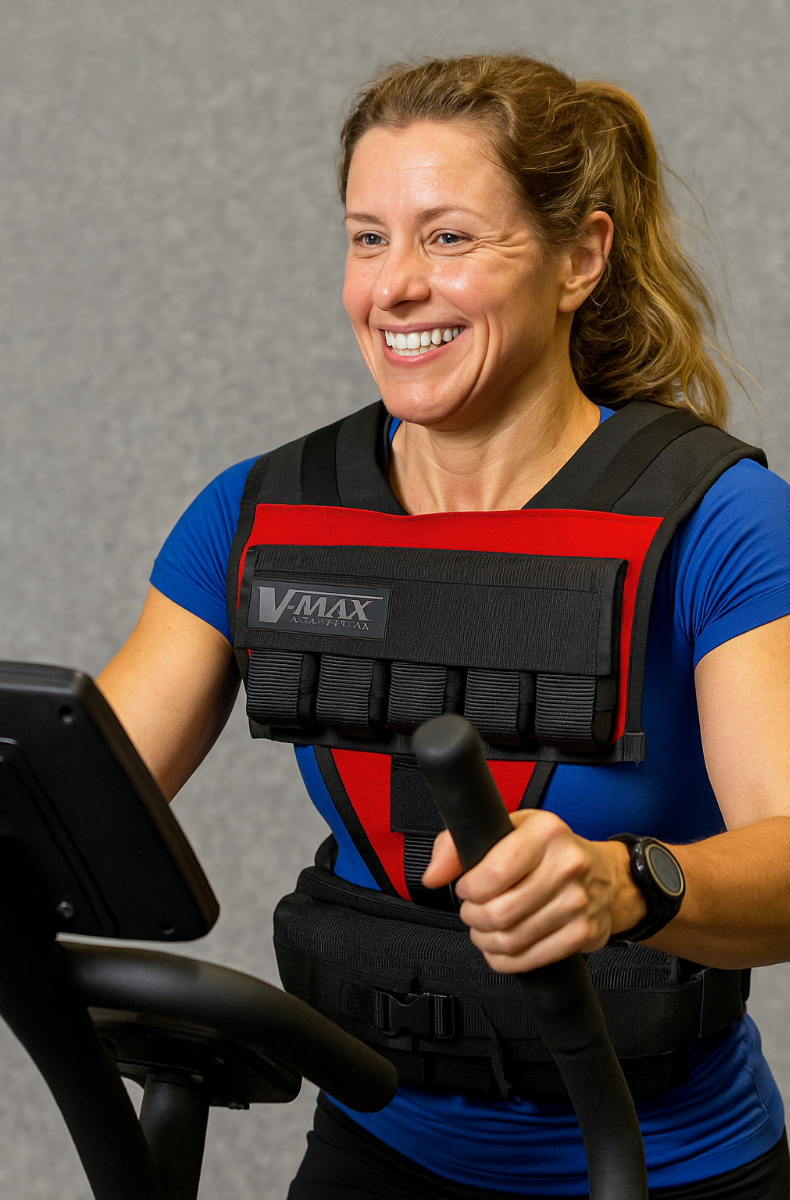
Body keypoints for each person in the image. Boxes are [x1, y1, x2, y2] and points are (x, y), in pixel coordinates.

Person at [97, 53, 790, 1198]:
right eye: (368, 238)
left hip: (665, 1166)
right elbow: (80, 801)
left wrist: (632, 882)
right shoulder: (259, 513)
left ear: (580, 258)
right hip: (381, 1153)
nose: (394, 285)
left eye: (448, 237)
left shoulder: (719, 520)